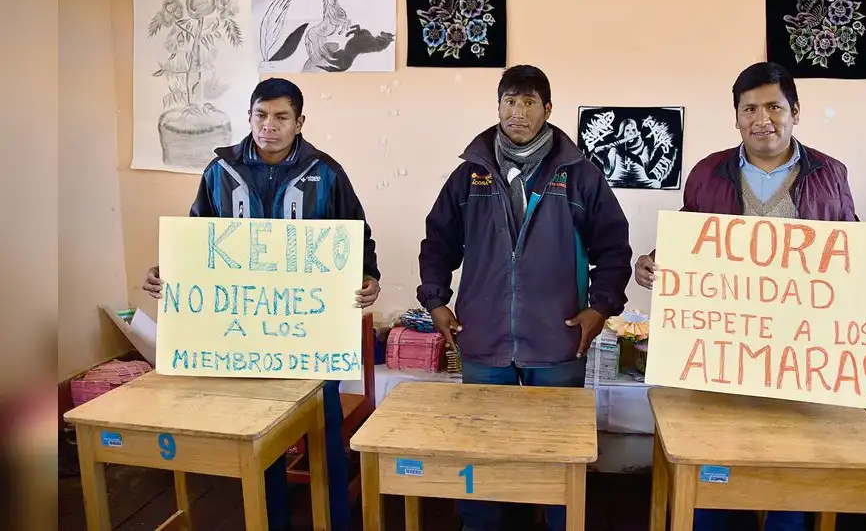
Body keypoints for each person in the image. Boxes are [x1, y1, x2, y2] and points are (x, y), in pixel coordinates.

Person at [634, 61, 866, 531]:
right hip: (724, 355)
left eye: (773, 107)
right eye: (749, 109)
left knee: (791, 469)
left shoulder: (830, 174)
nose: (762, 119)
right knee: (714, 470)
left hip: (801, 357)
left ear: (795, 111)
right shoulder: (708, 172)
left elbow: (850, 245)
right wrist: (654, 260)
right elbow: (690, 238)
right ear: (737, 116)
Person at [142, 77, 381, 531]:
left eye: (281, 117)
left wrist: (370, 277)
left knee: (325, 440)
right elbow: (199, 239)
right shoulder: (219, 172)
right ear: (249, 117)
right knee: (261, 440)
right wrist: (167, 268)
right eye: (260, 115)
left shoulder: (326, 173)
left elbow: (357, 235)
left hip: (311, 340)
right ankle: (271, 520)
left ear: (299, 123)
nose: (268, 126)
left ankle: (334, 522)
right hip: (247, 344)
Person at [417, 64, 633, 531]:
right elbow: (437, 243)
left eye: (529, 102)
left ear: (548, 109)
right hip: (483, 338)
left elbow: (614, 247)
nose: (517, 112)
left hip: (558, 339)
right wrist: (436, 302)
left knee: (557, 449)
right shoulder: (469, 176)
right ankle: (480, 523)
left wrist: (600, 306)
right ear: (497, 107)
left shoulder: (580, 176)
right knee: (481, 445)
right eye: (509, 101)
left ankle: (560, 521)